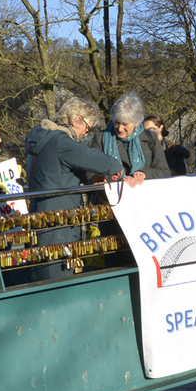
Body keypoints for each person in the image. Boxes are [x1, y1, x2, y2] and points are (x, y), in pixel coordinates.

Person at [24, 96, 123, 281]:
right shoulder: (61, 142)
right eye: (87, 128)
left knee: (41, 278)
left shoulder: (42, 138)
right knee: (58, 280)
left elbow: (56, 175)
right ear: (77, 119)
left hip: (41, 217)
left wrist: (89, 182)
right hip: (58, 225)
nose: (86, 134)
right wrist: (116, 166)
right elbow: (93, 157)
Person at [91, 92, 170, 185]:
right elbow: (90, 174)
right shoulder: (100, 138)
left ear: (137, 122)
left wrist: (144, 174)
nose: (120, 128)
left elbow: (164, 171)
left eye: (125, 124)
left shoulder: (150, 138)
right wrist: (117, 181)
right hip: (112, 197)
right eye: (117, 122)